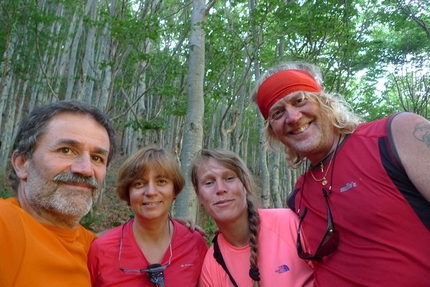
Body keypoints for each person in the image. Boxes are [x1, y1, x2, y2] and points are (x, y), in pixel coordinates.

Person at [251, 61, 430, 286]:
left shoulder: (396, 134)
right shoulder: (299, 195)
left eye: (299, 100)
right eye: (277, 113)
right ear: (274, 133)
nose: (293, 117)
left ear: (325, 102)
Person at [0, 100, 117, 287]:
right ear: (22, 164)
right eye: (66, 150)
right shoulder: (6, 224)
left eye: (97, 158)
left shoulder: (94, 249)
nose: (86, 169)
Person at [190, 148, 314, 287]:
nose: (220, 189)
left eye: (229, 178)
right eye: (208, 182)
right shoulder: (212, 264)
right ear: (199, 195)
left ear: (246, 185)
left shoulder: (289, 224)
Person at [87, 146, 208, 286]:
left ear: (174, 190)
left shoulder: (195, 244)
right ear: (128, 193)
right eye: (139, 183)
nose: (151, 192)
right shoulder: (101, 250)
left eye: (161, 181)